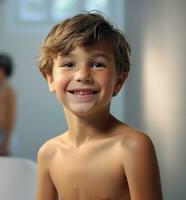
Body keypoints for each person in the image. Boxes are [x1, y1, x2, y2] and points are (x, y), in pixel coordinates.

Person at [36, 12, 163, 200]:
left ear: (119, 81)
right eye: (69, 64)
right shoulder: (48, 153)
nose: (82, 75)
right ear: (51, 79)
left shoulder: (132, 147)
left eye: (97, 64)